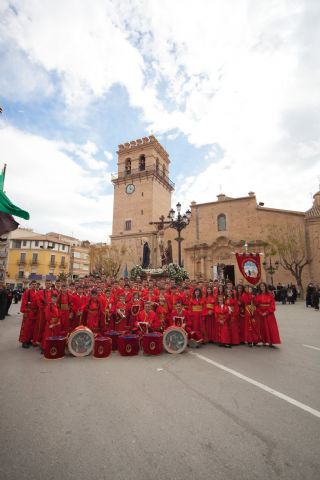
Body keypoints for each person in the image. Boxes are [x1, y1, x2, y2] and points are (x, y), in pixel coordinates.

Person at [255, 282, 281, 347]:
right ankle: (263, 341)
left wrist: (267, 312)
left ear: (265, 287)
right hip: (261, 314)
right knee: (262, 328)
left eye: (263, 286)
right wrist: (260, 312)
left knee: (270, 328)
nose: (262, 288)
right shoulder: (258, 295)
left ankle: (270, 342)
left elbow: (272, 305)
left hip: (269, 314)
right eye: (261, 286)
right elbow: (256, 305)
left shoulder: (270, 294)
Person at [19, 280, 39, 348]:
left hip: (35, 313)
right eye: (33, 284)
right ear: (30, 285)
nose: (34, 285)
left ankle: (29, 340)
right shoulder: (27, 292)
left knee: (32, 328)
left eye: (35, 284)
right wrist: (24, 311)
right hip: (29, 312)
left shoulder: (37, 292)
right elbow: (24, 302)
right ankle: (24, 341)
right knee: (26, 328)